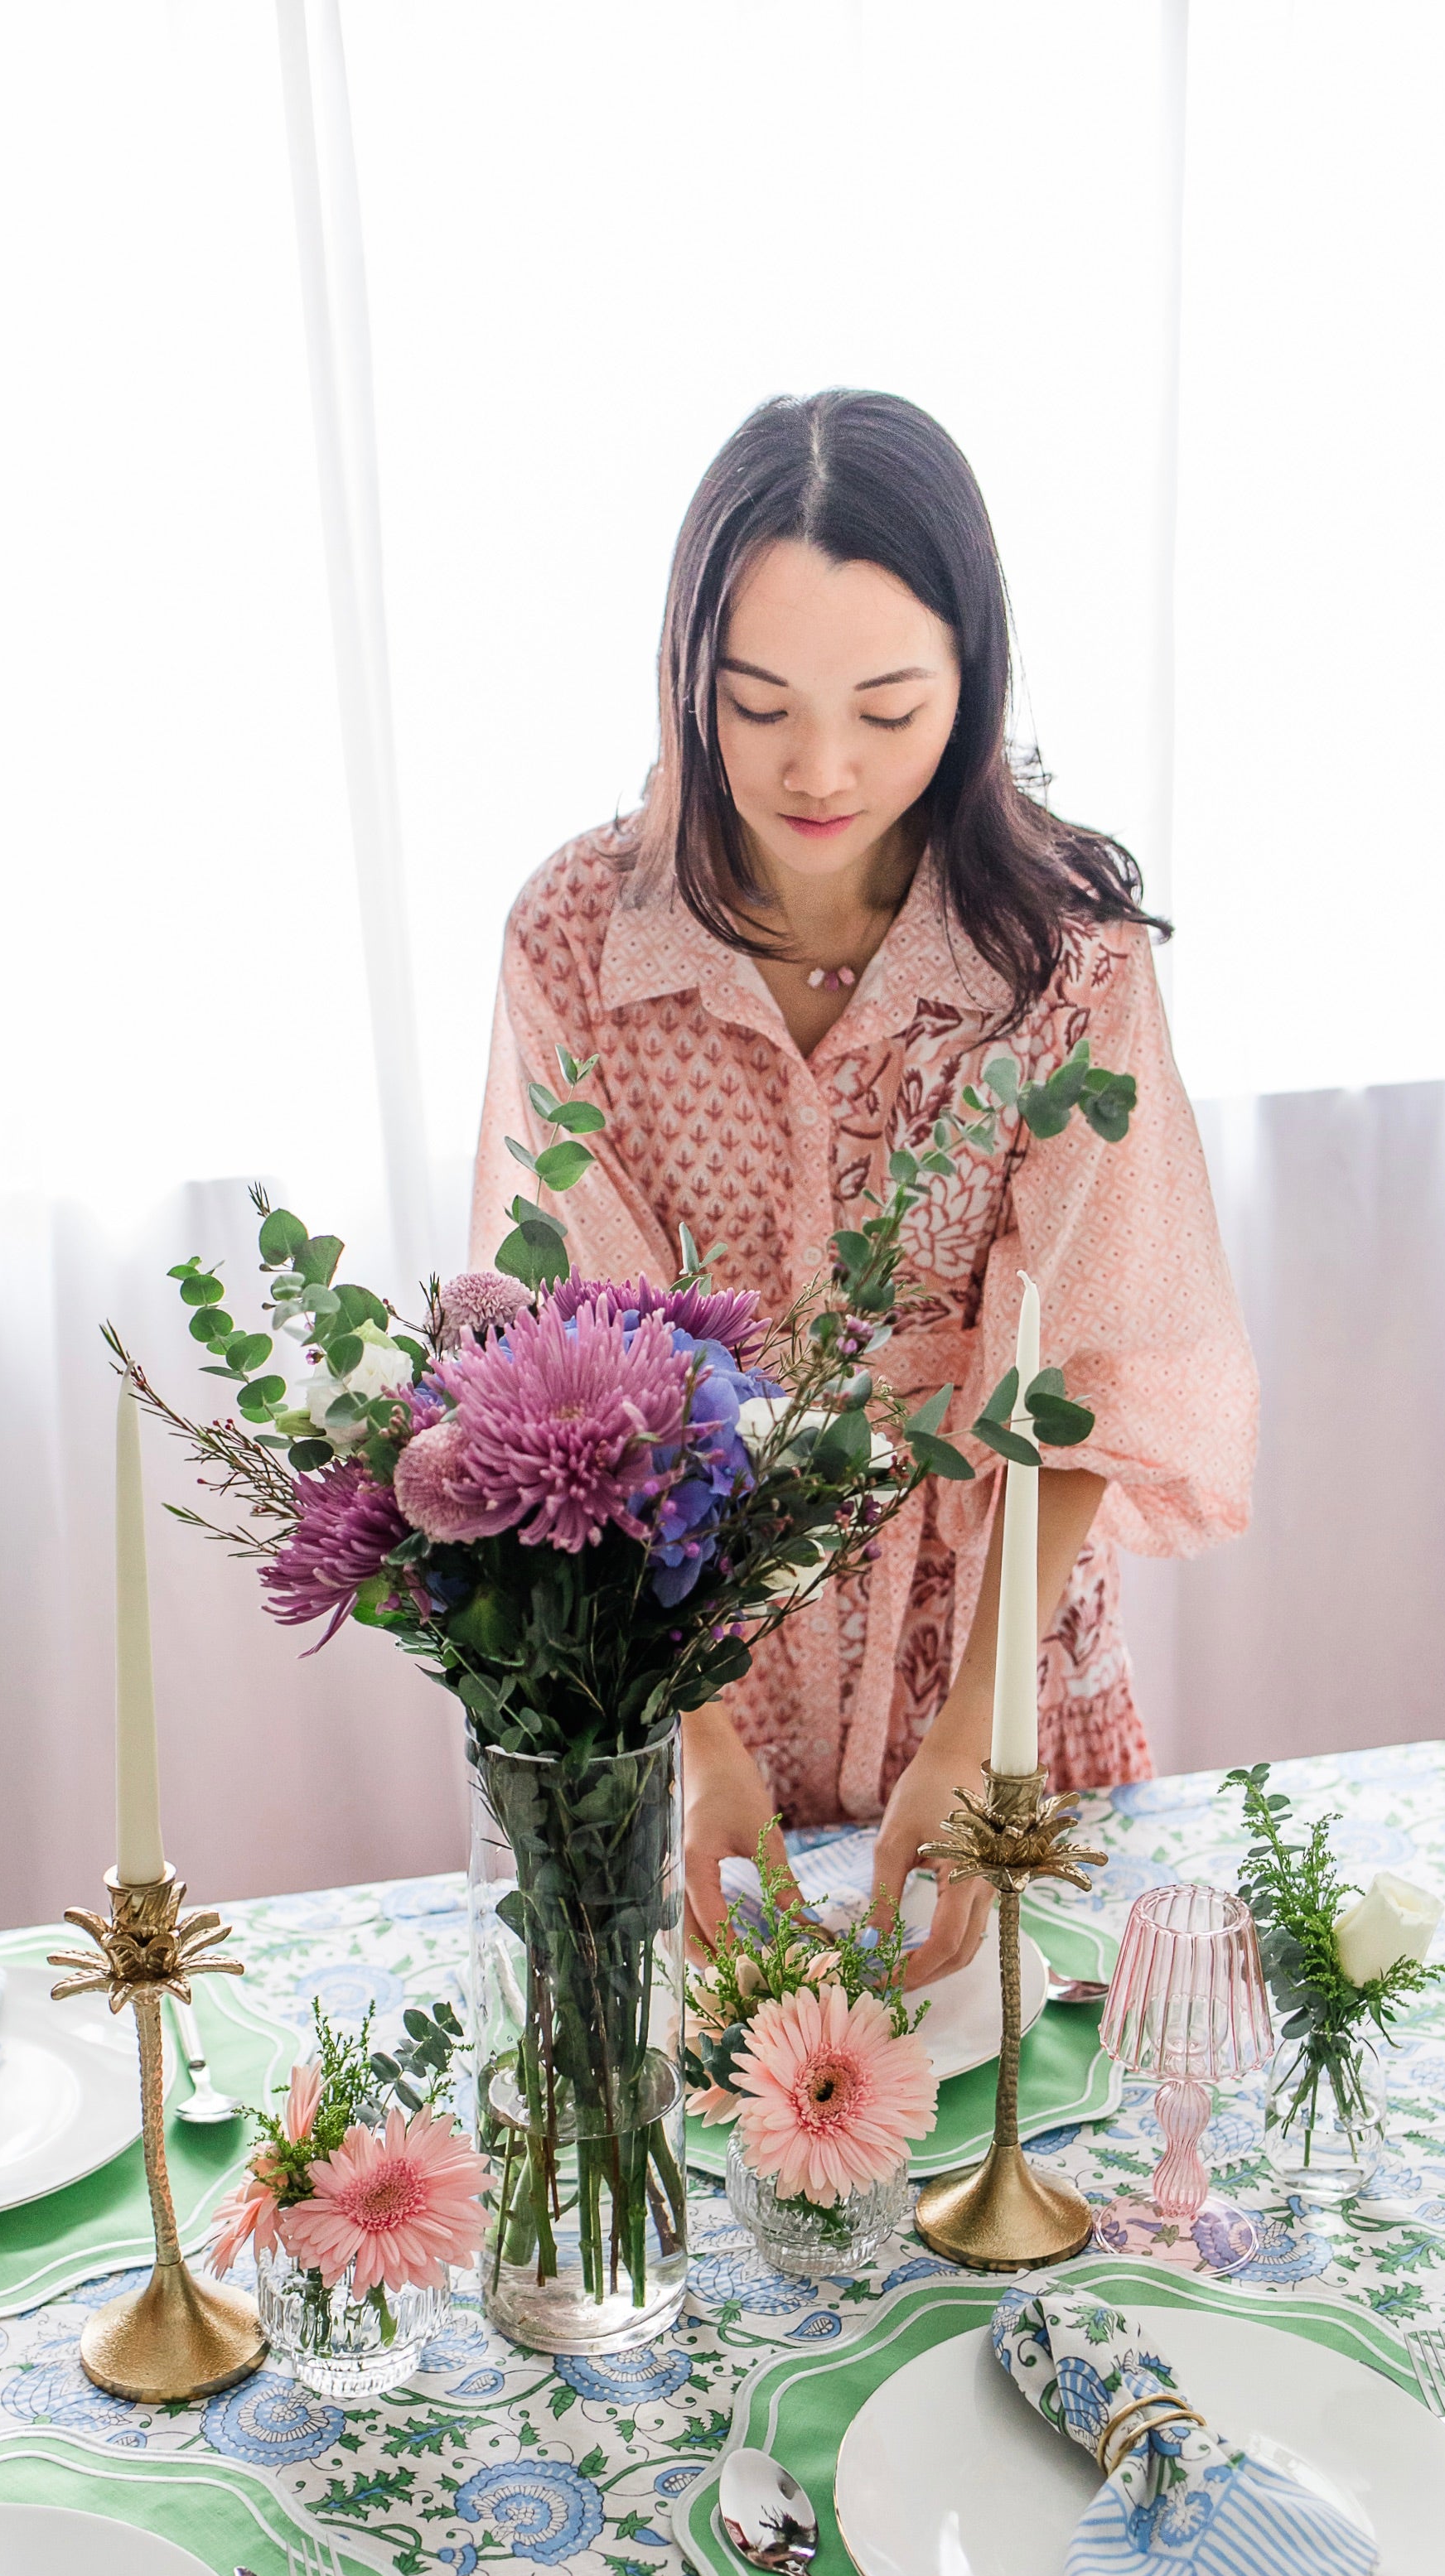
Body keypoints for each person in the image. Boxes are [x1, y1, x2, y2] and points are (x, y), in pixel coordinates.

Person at [471, 390, 1257, 1982]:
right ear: (690, 680)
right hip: (684, 1643)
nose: (820, 767)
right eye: (758, 706)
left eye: (887, 709)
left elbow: (1096, 1369)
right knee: (699, 2139)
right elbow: (575, 1390)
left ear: (973, 683)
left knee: (1036, 2117)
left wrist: (982, 1733)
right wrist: (689, 1741)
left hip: (993, 1641)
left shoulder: (1065, 947)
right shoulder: (572, 936)